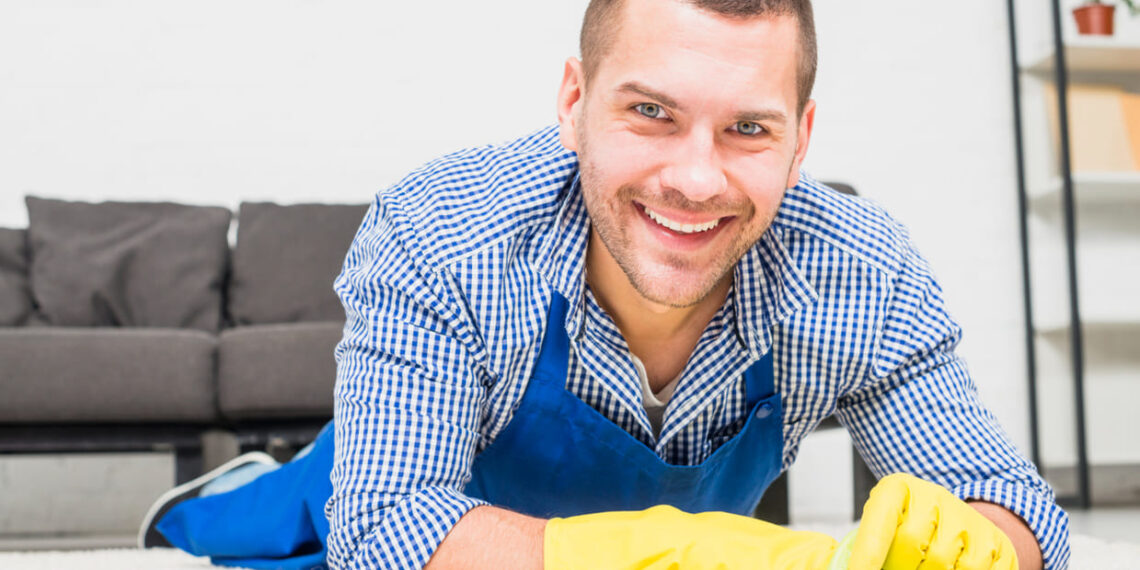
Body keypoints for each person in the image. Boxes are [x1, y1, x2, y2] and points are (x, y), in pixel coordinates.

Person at [139, 0, 1070, 568]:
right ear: (575, 103)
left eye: (749, 129)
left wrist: (979, 548)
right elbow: (385, 532)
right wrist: (665, 552)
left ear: (802, 137)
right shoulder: (443, 232)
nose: (697, 180)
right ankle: (231, 492)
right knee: (268, 531)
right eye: (652, 113)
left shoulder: (860, 274)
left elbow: (1017, 506)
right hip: (409, 482)